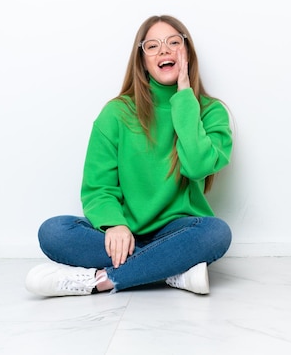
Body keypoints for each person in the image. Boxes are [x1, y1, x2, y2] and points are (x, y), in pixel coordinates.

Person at [25, 15, 233, 297]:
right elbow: (98, 187)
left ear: (187, 53)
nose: (164, 50)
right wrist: (115, 224)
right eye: (152, 46)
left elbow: (197, 167)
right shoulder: (116, 113)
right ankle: (172, 270)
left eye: (174, 42)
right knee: (54, 231)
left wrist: (185, 97)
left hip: (177, 231)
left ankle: (101, 280)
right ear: (142, 60)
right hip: (123, 236)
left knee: (216, 233)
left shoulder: (210, 111)